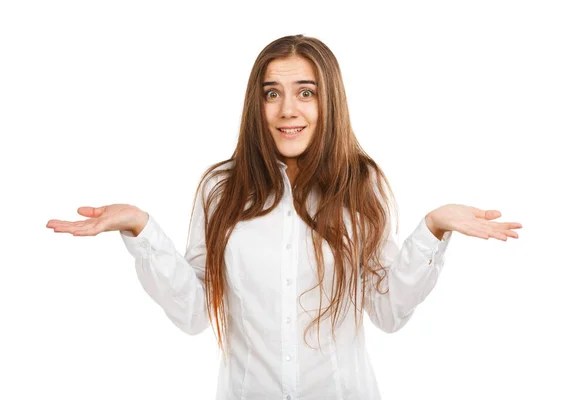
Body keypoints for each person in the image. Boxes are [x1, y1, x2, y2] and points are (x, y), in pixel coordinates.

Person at [46, 34, 522, 400]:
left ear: (328, 101)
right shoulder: (221, 189)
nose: (287, 110)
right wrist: (141, 229)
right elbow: (194, 311)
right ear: (257, 103)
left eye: (306, 92)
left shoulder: (361, 183)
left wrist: (433, 230)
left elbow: (388, 310)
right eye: (272, 93)